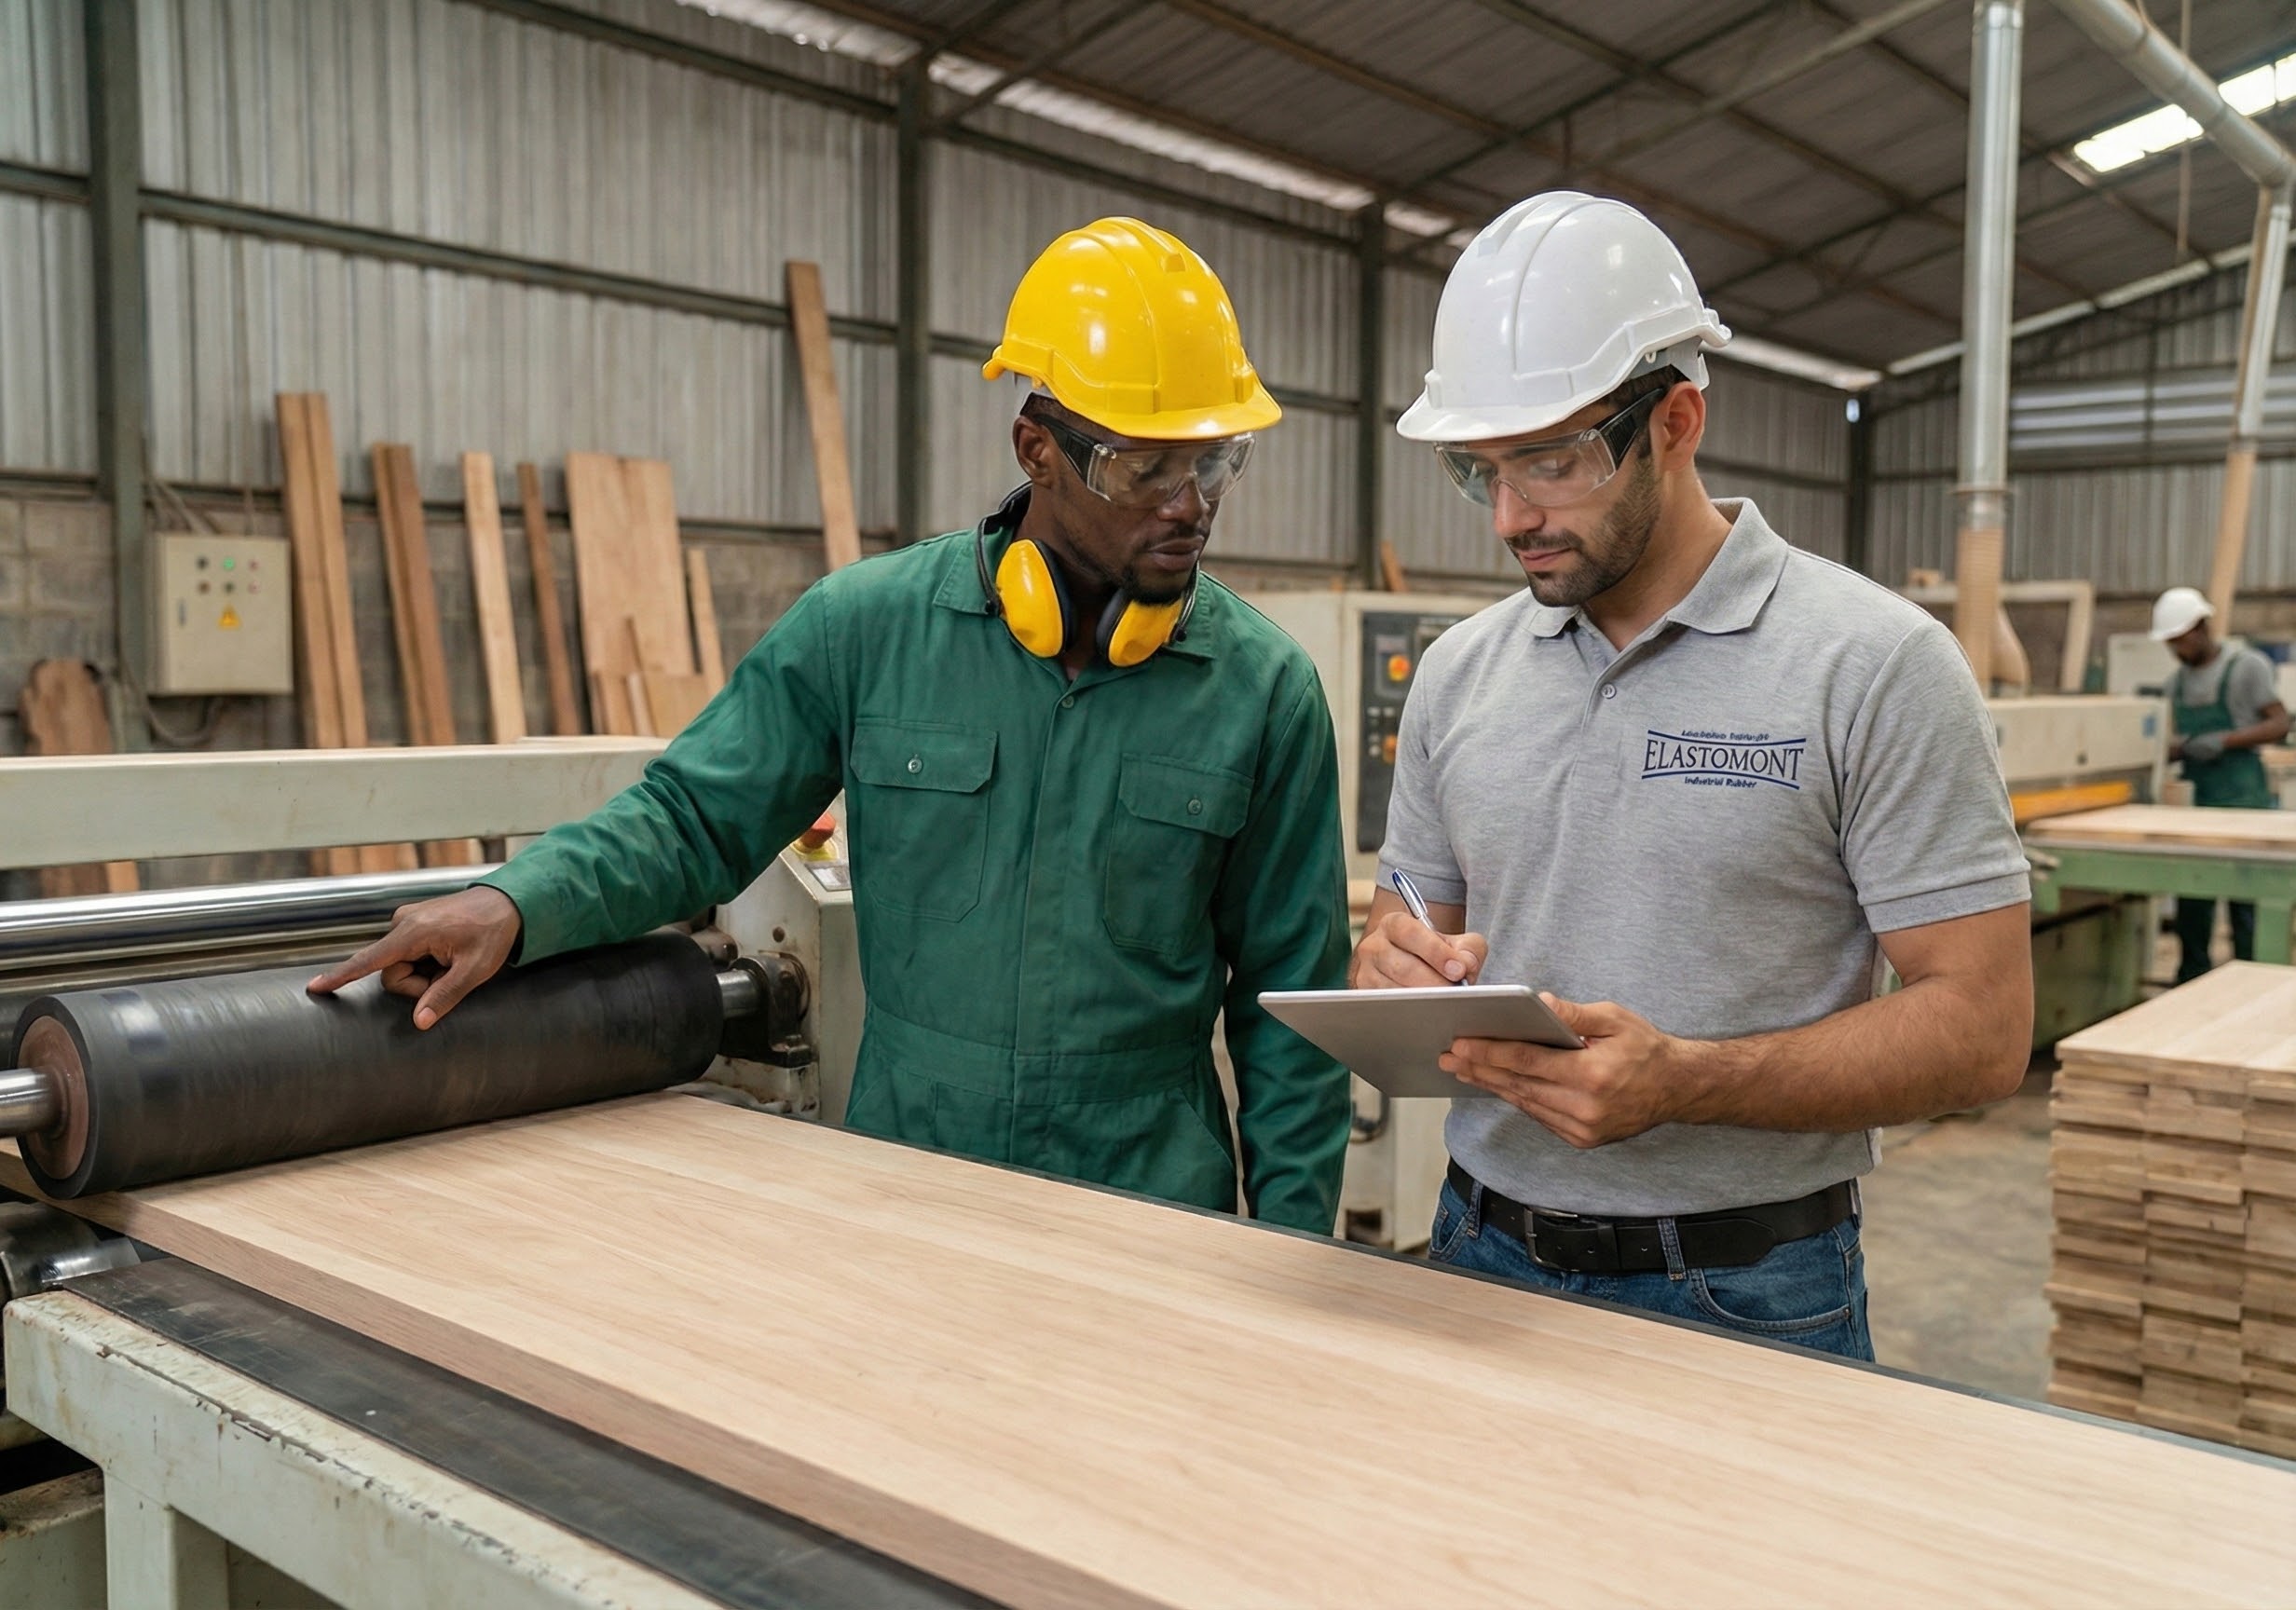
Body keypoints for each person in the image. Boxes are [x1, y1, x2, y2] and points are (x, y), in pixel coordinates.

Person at [311, 218, 1354, 1234]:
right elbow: (693, 818)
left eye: (1215, 462)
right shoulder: (866, 630)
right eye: (1144, 468)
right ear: (1037, 447)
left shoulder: (1262, 688)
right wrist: (514, 902)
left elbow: (1292, 1010)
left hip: (1149, 1206)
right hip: (910, 1187)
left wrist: (1298, 1260)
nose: (1191, 505)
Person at [1349, 192, 2034, 1359]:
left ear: (1674, 420)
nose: (1513, 516)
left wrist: (1687, 1082)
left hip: (1749, 1287)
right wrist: (1389, 970)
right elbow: (1411, 934)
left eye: (1552, 462)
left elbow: (1981, 1030)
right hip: (1477, 1253)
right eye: (1480, 472)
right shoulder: (1459, 674)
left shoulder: (1872, 663)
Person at [2150, 585, 2292, 981]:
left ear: (2201, 627)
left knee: (2247, 901)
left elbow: (2280, 722)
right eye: (2170, 643)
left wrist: (2224, 741)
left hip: (2244, 799)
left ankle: (2255, 981)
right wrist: (2179, 749)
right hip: (2199, 804)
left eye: (2180, 639)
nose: (2177, 649)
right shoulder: (2175, 684)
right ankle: (2193, 979)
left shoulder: (2246, 666)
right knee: (2193, 899)